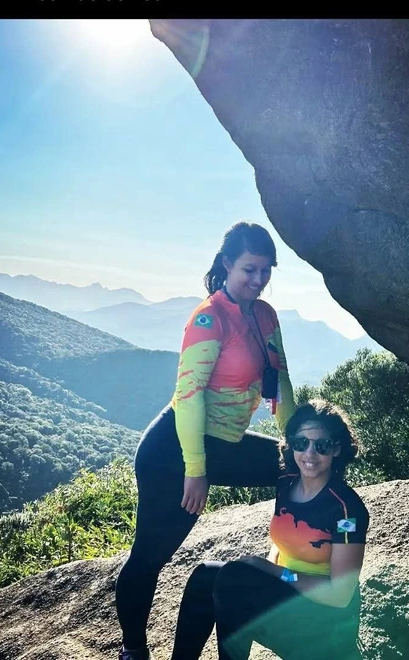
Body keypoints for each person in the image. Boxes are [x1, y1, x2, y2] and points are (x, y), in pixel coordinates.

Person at [115, 221, 296, 660]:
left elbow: (282, 382)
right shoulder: (209, 318)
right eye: (249, 269)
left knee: (292, 468)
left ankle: (288, 570)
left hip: (223, 443)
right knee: (152, 554)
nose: (258, 279)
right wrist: (196, 471)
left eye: (266, 270)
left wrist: (295, 443)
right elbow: (189, 397)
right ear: (227, 264)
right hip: (173, 451)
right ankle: (133, 649)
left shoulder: (265, 316)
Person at [170, 399, 369, 660]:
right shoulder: (287, 483)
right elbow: (284, 541)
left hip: (325, 628)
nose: (309, 454)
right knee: (205, 576)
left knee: (234, 578)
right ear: (291, 444)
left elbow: (339, 595)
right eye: (301, 443)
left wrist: (274, 572)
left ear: (337, 448)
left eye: (321, 445)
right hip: (289, 602)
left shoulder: (346, 510)